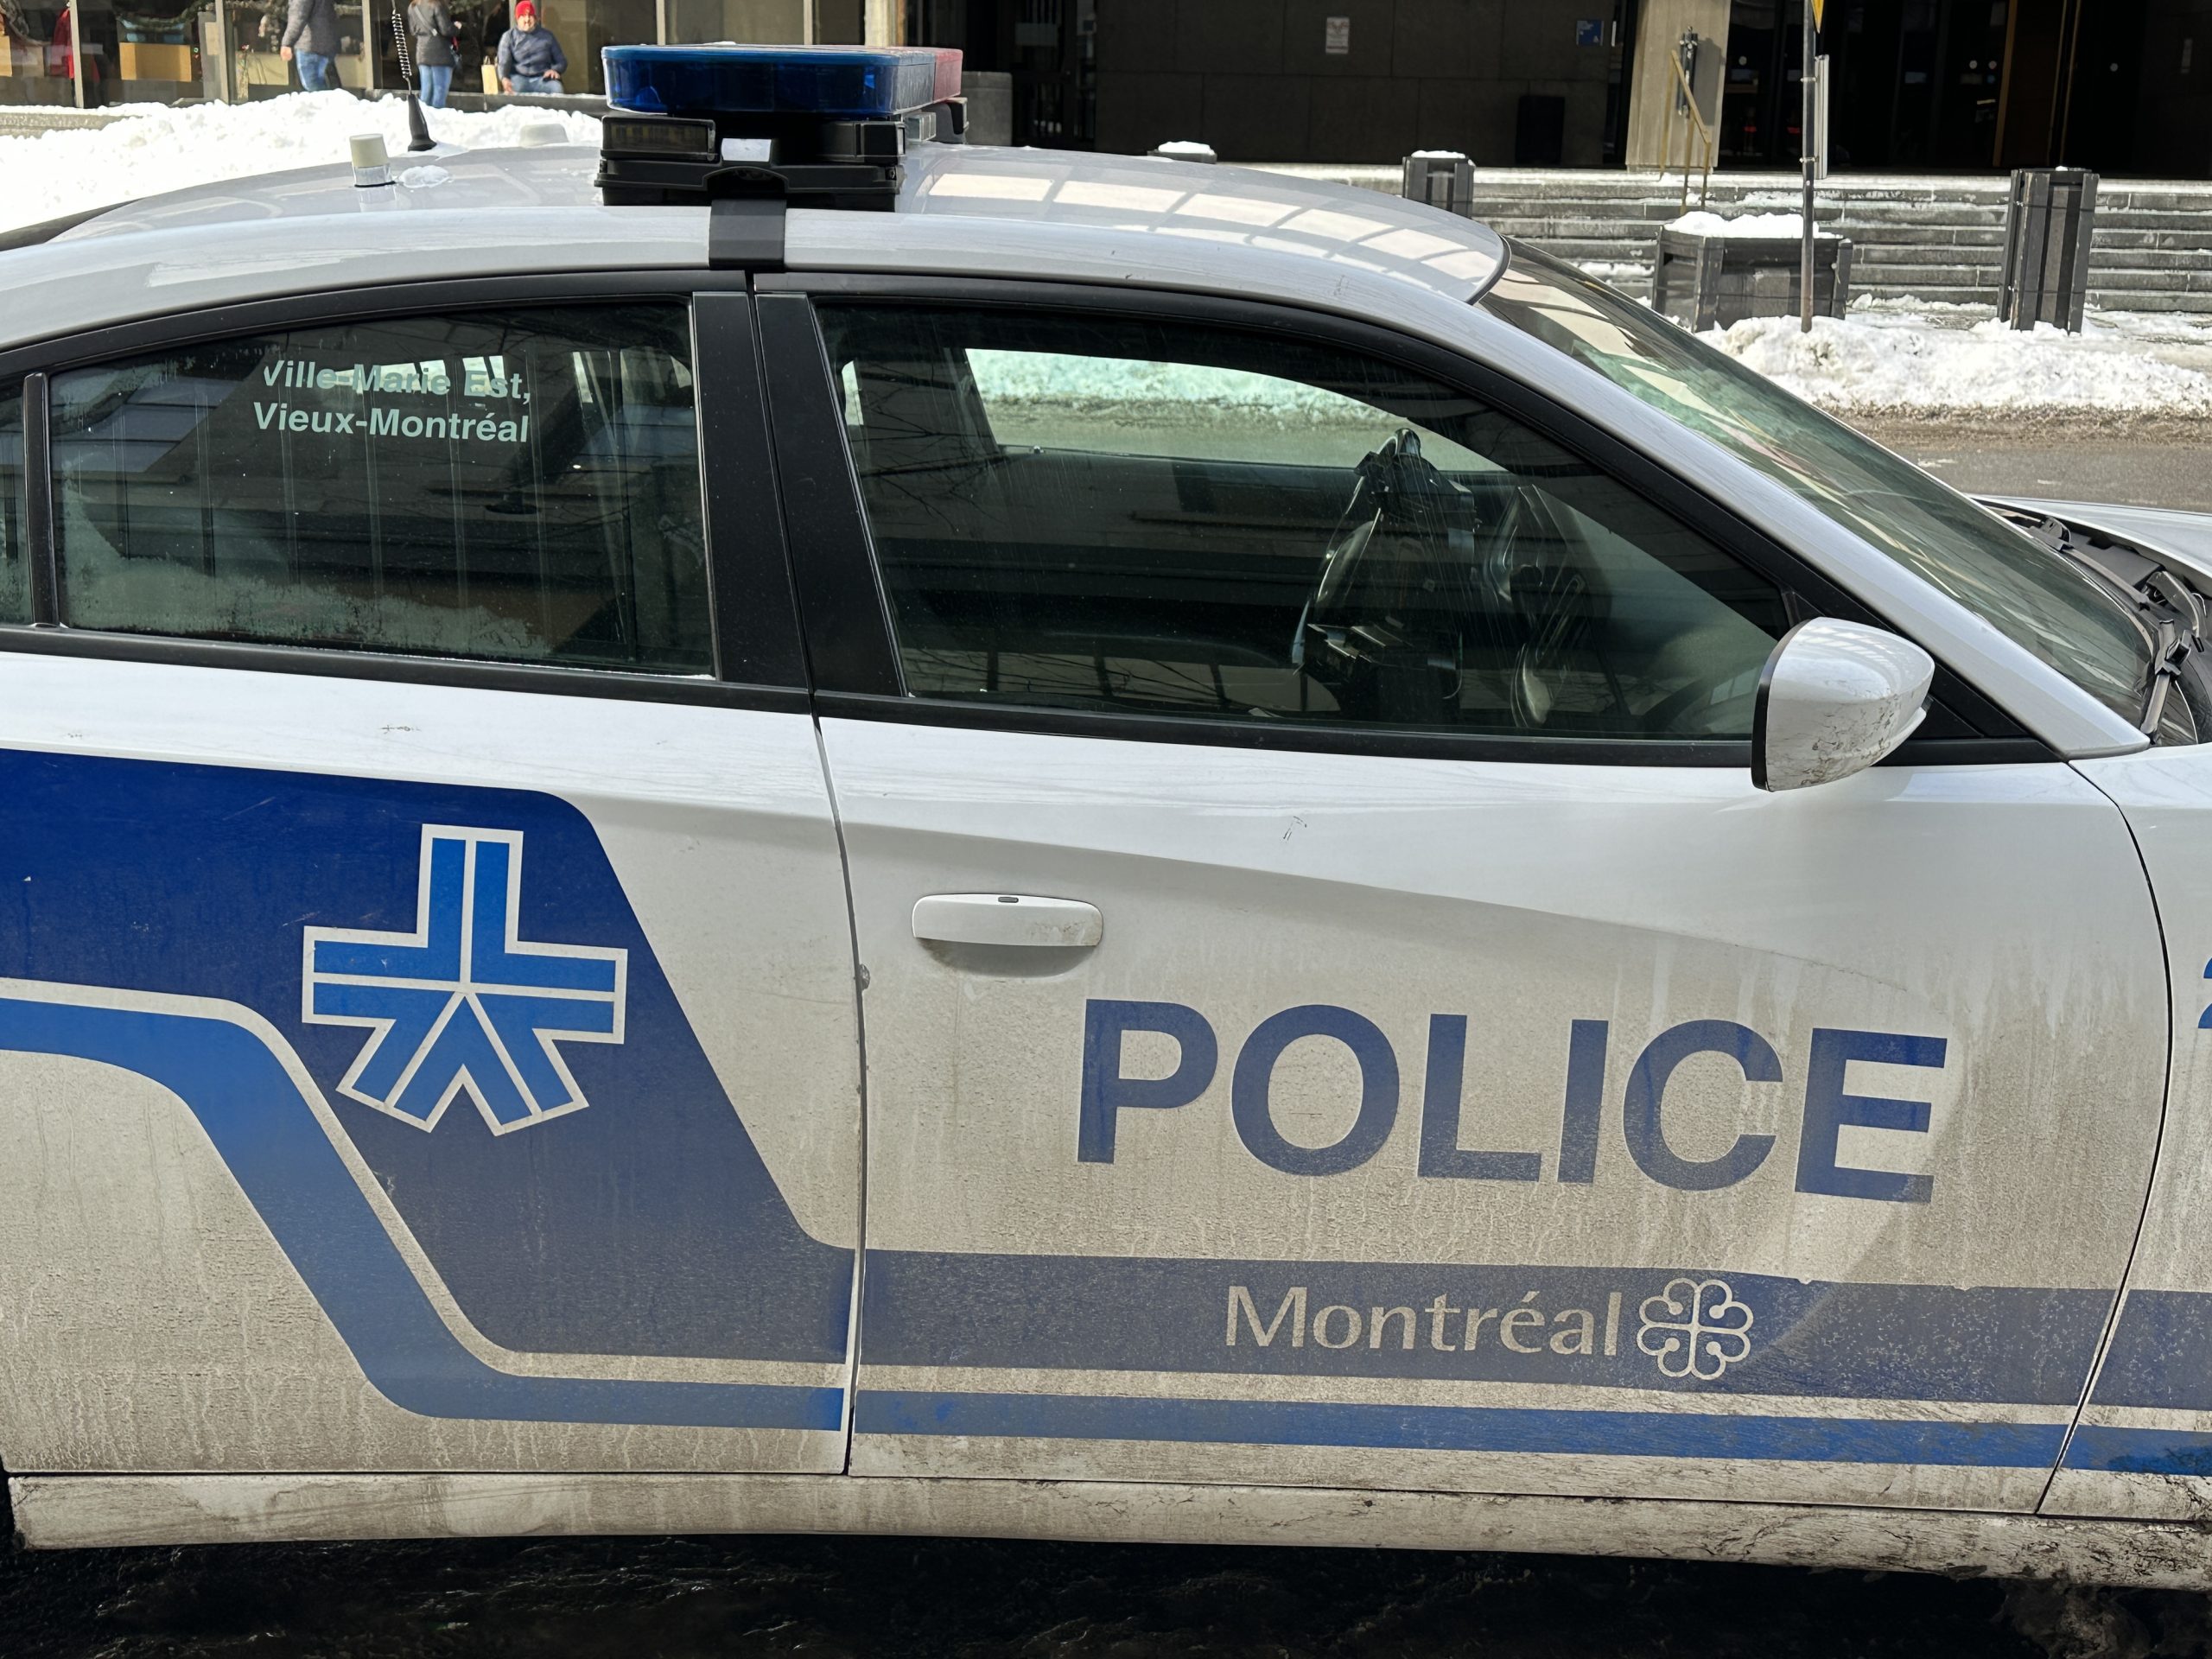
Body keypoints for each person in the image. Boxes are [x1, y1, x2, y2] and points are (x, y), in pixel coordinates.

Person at [494, 1, 563, 95]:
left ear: (535, 18)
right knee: (513, 91)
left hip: (542, 79)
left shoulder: (547, 36)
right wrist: (504, 78)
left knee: (557, 88)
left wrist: (555, 70)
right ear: (517, 18)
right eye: (523, 16)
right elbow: (503, 62)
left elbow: (561, 61)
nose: (527, 20)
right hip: (519, 78)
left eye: (530, 16)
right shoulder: (509, 37)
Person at [279, 0, 340, 89]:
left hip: (310, 46)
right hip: (326, 44)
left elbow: (298, 16)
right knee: (327, 88)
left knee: (313, 89)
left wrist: (287, 43)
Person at [407, 0, 454, 106]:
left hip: (422, 51)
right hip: (439, 52)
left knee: (426, 91)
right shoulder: (436, 5)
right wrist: (457, 27)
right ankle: (437, 114)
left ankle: (424, 115)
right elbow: (446, 29)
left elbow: (413, 31)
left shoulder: (413, 6)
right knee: (440, 90)